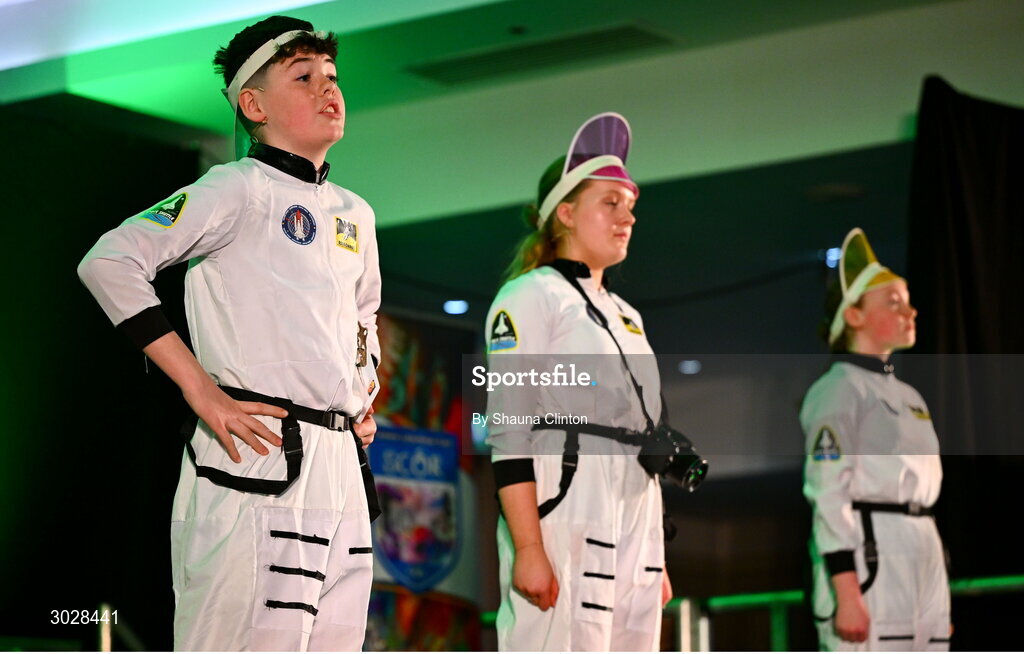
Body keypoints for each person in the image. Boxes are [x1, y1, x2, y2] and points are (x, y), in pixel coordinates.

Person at [77, 16, 381, 651]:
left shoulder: (357, 212)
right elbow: (109, 261)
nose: (329, 90)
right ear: (253, 103)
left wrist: (361, 393)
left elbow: (363, 319)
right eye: (304, 78)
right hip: (257, 455)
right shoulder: (235, 188)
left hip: (340, 467)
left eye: (331, 76)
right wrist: (200, 390)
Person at [485, 113, 673, 651]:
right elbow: (509, 430)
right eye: (610, 203)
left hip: (636, 513)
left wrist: (656, 553)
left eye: (630, 205)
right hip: (566, 502)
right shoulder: (530, 296)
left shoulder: (627, 314)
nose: (627, 216)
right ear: (564, 212)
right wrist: (528, 547)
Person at [801, 228, 950, 651]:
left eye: (908, 301)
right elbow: (828, 492)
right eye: (894, 302)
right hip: (872, 553)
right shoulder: (839, 389)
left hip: (922, 549)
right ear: (854, 316)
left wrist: (937, 591)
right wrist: (847, 592)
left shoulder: (909, 396)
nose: (911, 312)